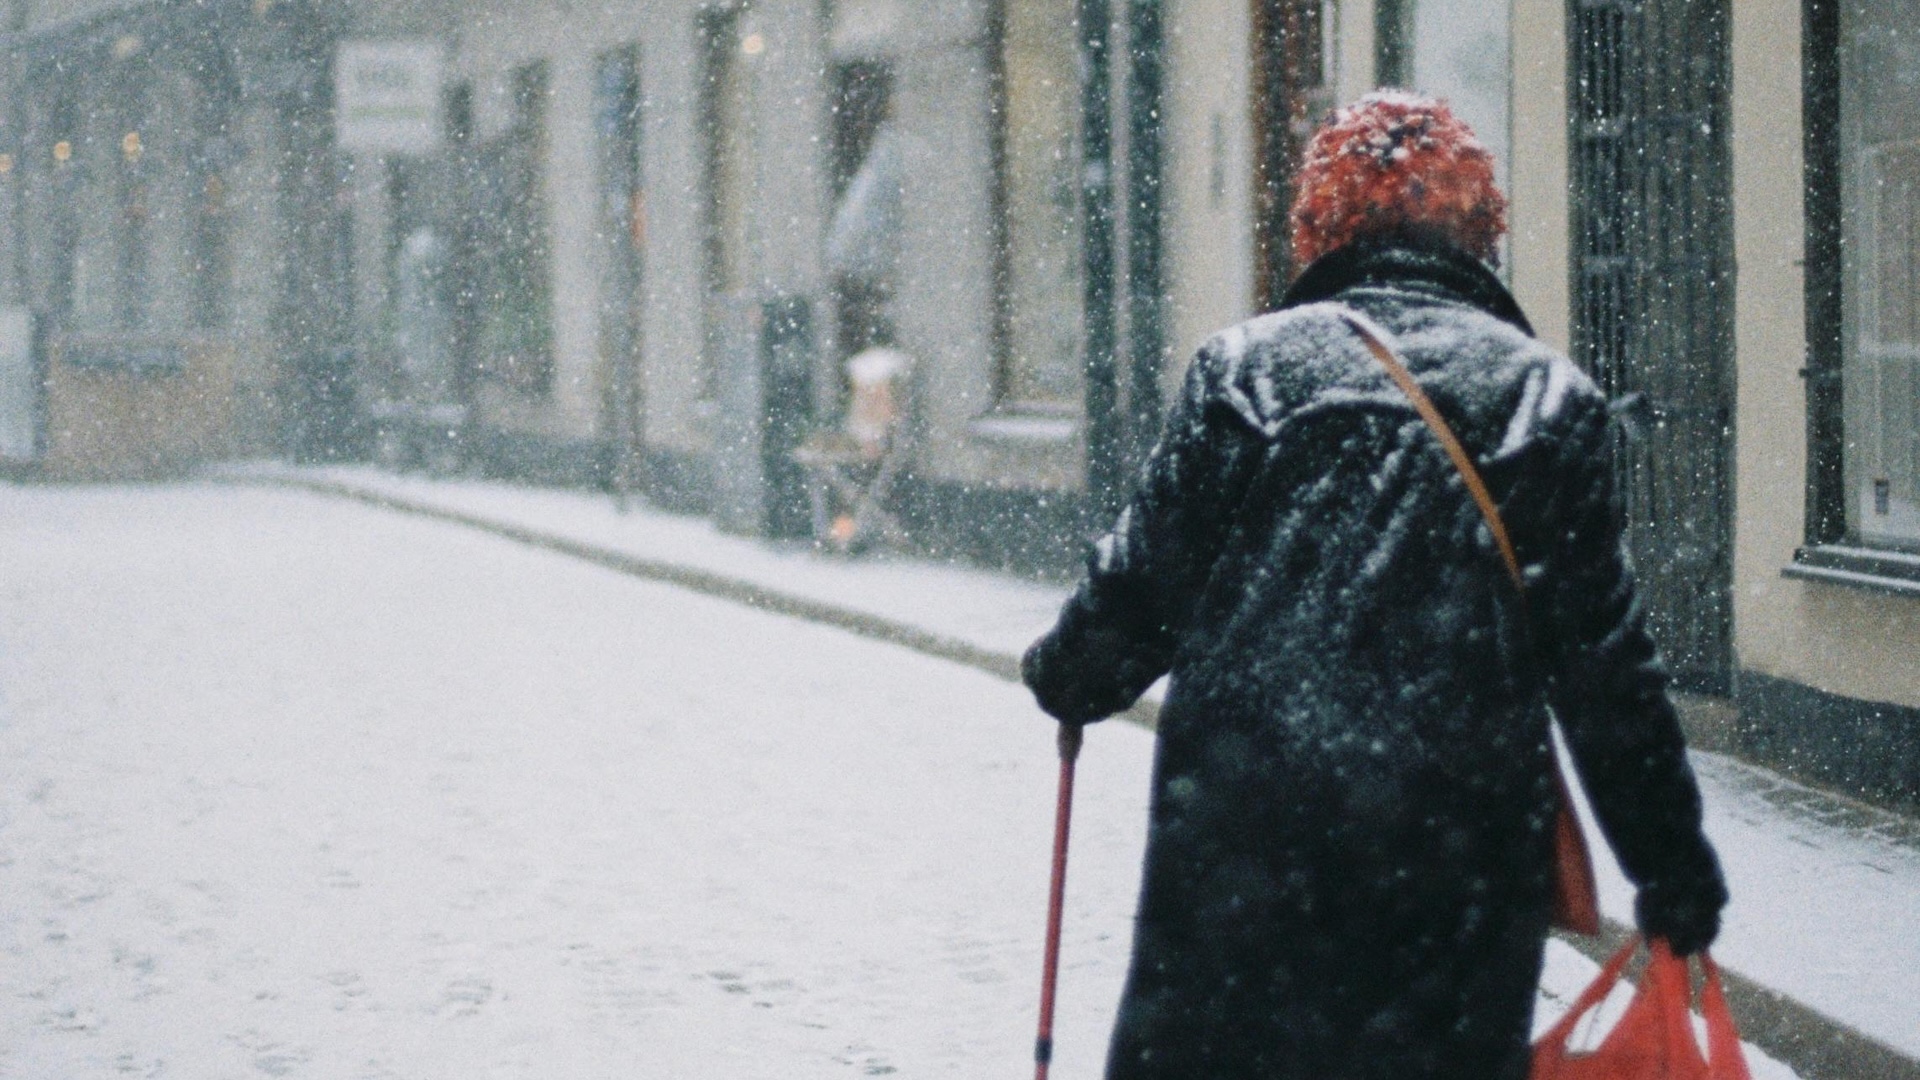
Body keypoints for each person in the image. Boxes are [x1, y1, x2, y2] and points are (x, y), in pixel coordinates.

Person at [1021, 92, 1728, 1080]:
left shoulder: (1246, 374)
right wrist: (1671, 866)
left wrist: (1070, 674)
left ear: (1321, 225)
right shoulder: (1542, 397)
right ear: (1480, 229)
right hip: (1456, 853)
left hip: (1248, 835)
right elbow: (1604, 665)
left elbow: (1142, 589)